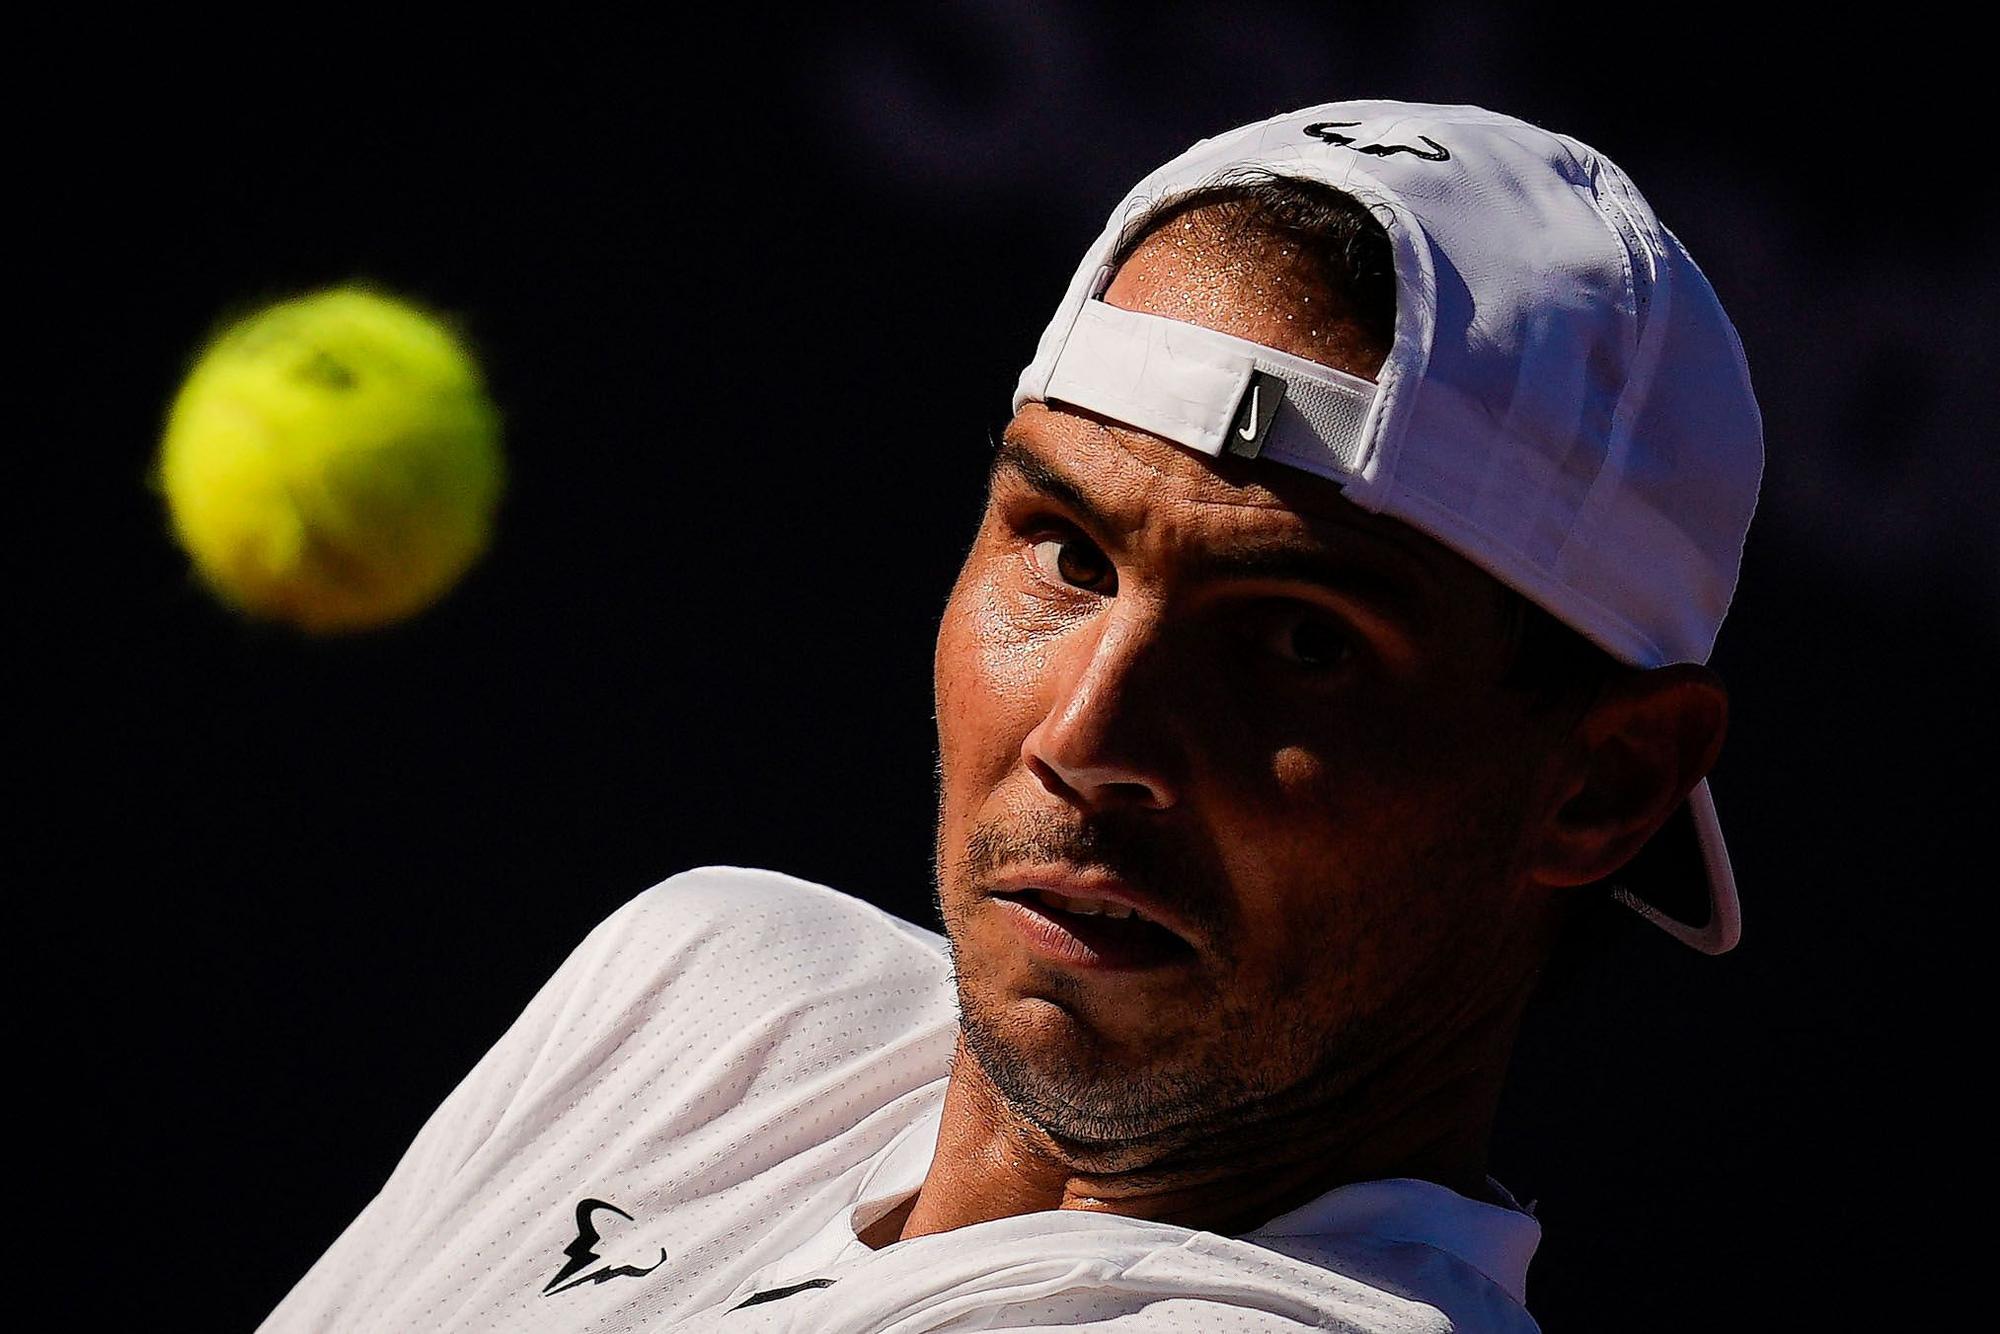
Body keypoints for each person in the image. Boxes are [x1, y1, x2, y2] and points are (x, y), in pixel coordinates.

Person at [262, 99, 1761, 1332]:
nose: (1092, 732)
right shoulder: (713, 987)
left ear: (1602, 786)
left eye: (1300, 640)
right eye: (1067, 551)